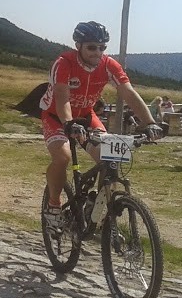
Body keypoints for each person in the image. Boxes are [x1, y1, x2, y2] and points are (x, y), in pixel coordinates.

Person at [40, 21, 162, 231]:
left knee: (110, 159)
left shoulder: (108, 65)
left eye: (102, 47)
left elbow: (128, 92)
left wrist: (150, 122)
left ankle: (96, 209)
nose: (98, 52)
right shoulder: (64, 63)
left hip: (86, 116)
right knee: (62, 158)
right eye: (91, 47)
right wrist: (68, 123)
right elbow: (62, 97)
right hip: (56, 116)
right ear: (78, 45)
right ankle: (53, 205)